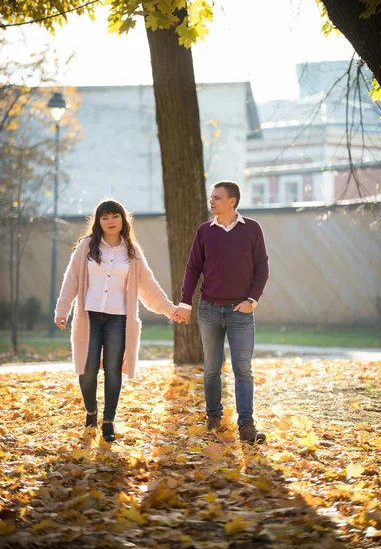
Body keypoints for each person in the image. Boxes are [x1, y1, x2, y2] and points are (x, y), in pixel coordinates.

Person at [55, 199, 178, 443]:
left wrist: (169, 309)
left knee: (113, 369)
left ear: (123, 219)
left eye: (115, 216)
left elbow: (148, 285)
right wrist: (62, 309)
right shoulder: (86, 247)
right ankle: (91, 412)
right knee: (87, 369)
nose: (110, 222)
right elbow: (71, 280)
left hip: (118, 319)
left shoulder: (131, 250)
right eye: (105, 217)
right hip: (89, 316)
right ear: (98, 222)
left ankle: (108, 421)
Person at [173, 181, 269, 444]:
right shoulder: (205, 231)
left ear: (232, 201)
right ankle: (214, 416)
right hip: (209, 310)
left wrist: (252, 300)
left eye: (217, 198)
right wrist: (185, 303)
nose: (211, 201)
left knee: (243, 369)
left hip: (241, 312)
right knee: (212, 369)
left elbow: (262, 268)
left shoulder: (252, 229)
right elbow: (193, 268)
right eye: (211, 197)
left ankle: (246, 425)